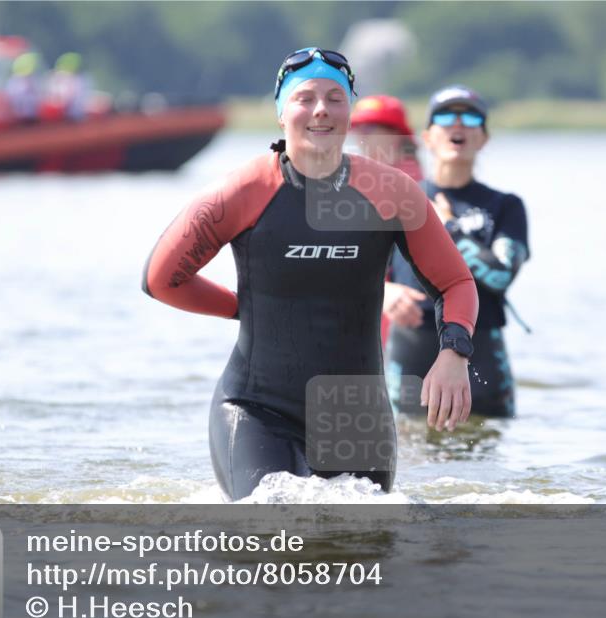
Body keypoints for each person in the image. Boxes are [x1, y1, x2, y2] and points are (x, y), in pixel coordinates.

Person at [142, 48, 478, 501]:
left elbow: (456, 283)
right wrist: (240, 308)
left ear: (350, 112)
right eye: (305, 98)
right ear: (282, 113)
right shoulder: (242, 191)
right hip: (257, 409)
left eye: (335, 98)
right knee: (268, 526)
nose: (321, 109)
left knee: (360, 548)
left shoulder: (390, 193)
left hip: (356, 417)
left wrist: (453, 353)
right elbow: (162, 279)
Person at [384, 85, 530, 418]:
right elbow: (355, 270)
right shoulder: (399, 197)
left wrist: (447, 226)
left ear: (484, 138)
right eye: (446, 117)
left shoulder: (506, 206)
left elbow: (501, 274)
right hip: (408, 352)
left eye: (471, 117)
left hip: (482, 360)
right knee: (407, 455)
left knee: (487, 460)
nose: (458, 125)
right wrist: (383, 292)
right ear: (428, 137)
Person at [348, 94, 424, 347]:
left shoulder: (412, 185)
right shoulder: (365, 183)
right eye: (357, 129)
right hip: (377, 307)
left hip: (402, 314)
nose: (360, 137)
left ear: (395, 134)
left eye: (369, 128)